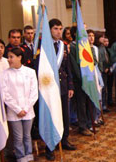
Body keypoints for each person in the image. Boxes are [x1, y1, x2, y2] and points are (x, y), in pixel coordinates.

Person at [2, 48, 38, 162]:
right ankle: (21, 157)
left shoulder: (30, 72)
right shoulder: (5, 73)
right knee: (18, 138)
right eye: (8, 57)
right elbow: (5, 94)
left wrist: (26, 109)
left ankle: (29, 156)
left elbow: (34, 93)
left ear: (19, 57)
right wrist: (18, 109)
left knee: (27, 136)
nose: (9, 59)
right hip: (14, 112)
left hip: (28, 111)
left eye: (11, 57)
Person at [48, 19, 76, 158]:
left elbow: (68, 66)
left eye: (60, 28)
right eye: (55, 29)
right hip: (49, 86)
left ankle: (64, 139)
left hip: (63, 85)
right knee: (52, 115)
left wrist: (70, 85)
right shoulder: (45, 45)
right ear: (50, 30)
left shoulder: (64, 45)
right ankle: (50, 145)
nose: (58, 31)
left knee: (65, 114)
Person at [69, 27, 93, 137]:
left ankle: (89, 123)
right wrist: (81, 77)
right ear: (75, 34)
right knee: (81, 103)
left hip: (88, 78)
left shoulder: (84, 45)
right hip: (79, 80)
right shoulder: (72, 47)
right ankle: (82, 126)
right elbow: (74, 65)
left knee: (89, 101)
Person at [98, 34, 111, 112]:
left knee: (105, 88)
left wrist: (108, 67)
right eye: (101, 37)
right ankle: (102, 106)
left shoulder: (104, 48)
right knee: (102, 89)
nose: (103, 38)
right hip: (101, 71)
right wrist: (103, 68)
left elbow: (106, 59)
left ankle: (104, 105)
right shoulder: (99, 48)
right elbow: (100, 60)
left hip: (105, 70)